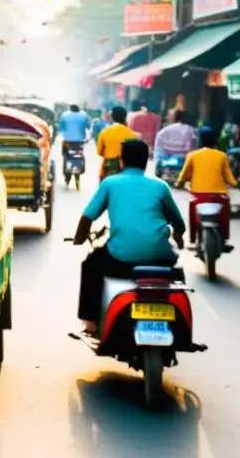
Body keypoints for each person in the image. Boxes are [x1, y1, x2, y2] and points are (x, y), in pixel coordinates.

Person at [72, 139, 185, 335]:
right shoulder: (160, 186)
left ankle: (90, 323)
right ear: (145, 161)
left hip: (120, 258)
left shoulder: (110, 183)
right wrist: (179, 235)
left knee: (90, 266)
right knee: (176, 277)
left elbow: (87, 217)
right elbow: (177, 221)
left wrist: (79, 239)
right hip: (160, 258)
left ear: (122, 161)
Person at [177, 128, 240, 249]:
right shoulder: (222, 156)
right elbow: (229, 178)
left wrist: (179, 184)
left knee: (192, 207)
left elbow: (183, 175)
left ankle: (193, 238)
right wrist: (236, 184)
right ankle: (224, 238)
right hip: (219, 196)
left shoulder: (192, 155)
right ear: (215, 140)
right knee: (224, 214)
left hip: (198, 195)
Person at [96, 106, 140, 179]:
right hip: (127, 169)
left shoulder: (104, 132)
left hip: (109, 168)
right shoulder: (133, 135)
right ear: (125, 117)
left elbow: (99, 152)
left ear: (112, 117)